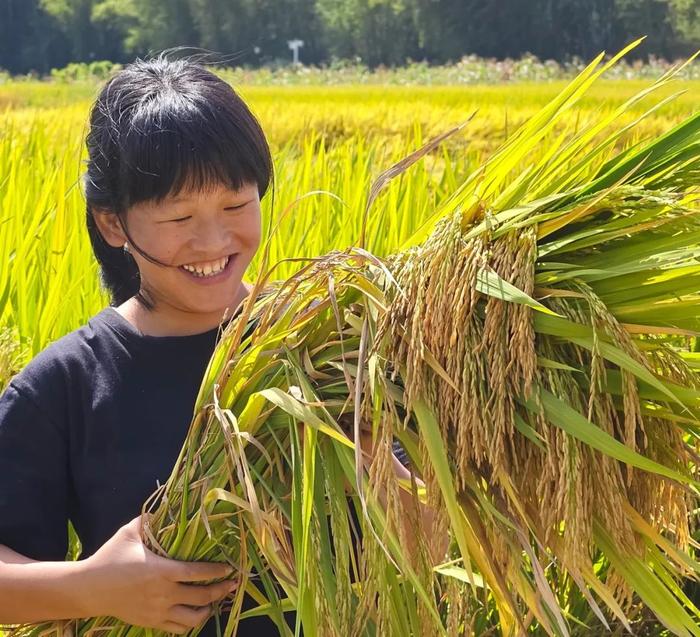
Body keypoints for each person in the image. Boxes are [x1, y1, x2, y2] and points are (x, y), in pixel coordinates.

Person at [0, 54, 432, 636]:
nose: (214, 240)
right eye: (179, 216)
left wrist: (377, 462)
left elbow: (437, 539)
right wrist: (93, 586)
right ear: (112, 224)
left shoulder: (325, 341)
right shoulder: (67, 385)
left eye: (235, 205)